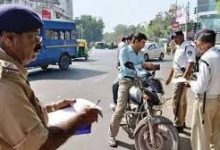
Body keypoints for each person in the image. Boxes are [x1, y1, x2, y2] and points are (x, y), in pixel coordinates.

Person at [0, 5, 99, 150]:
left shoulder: (12, 71)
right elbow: (40, 145)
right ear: (9, 38)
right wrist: (80, 120)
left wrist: (53, 107)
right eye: (32, 37)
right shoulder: (5, 81)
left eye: (38, 37)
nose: (38, 45)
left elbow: (21, 113)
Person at [108, 32, 156, 147]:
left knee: (149, 103)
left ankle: (146, 129)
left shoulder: (141, 53)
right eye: (143, 42)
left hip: (139, 81)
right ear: (136, 41)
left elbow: (141, 65)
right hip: (126, 81)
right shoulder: (124, 51)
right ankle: (111, 136)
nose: (144, 45)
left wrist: (148, 67)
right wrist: (142, 66)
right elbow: (126, 68)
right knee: (120, 109)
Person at [186, 29, 220, 150]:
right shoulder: (218, 54)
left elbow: (200, 88)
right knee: (217, 137)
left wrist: (190, 82)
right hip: (218, 100)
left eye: (196, 43)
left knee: (201, 138)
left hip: (205, 102)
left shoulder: (206, 59)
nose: (196, 46)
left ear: (202, 42)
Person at [166, 30, 196, 133]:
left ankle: (178, 125)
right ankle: (182, 121)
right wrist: (170, 77)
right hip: (177, 75)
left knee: (176, 100)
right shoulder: (179, 48)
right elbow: (175, 64)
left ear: (181, 36)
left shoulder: (188, 46)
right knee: (182, 100)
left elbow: (191, 63)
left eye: (175, 37)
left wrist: (184, 78)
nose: (174, 40)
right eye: (173, 38)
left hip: (182, 75)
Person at [110, 34, 134, 110]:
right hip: (129, 74)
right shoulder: (127, 48)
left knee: (115, 85)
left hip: (131, 76)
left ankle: (116, 104)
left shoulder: (129, 49)